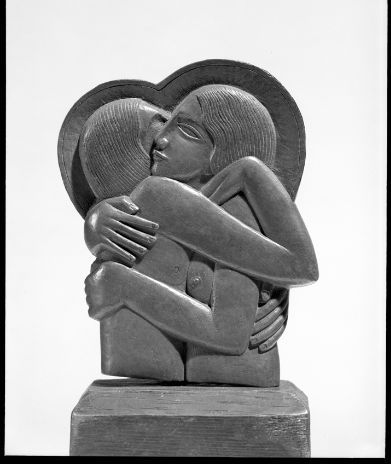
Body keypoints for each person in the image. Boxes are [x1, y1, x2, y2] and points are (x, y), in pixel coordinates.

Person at [84, 85, 318, 384]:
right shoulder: (157, 198)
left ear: (222, 148)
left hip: (216, 378)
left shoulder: (174, 197)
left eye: (184, 129)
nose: (160, 139)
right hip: (178, 375)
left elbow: (300, 269)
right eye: (153, 134)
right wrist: (93, 223)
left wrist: (125, 285)